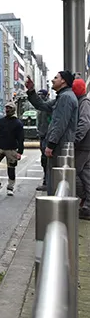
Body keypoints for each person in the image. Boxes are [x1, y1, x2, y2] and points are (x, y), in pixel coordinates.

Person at [0, 103, 24, 196]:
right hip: (0, 147)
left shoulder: (18, 123)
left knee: (11, 169)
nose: (7, 110)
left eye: (9, 108)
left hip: (12, 148)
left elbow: (21, 138)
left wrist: (20, 152)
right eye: (6, 108)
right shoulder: (0, 121)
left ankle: (10, 187)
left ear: (13, 109)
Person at [27, 82, 55, 191]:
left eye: (41, 95)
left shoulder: (48, 106)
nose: (40, 97)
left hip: (47, 136)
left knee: (46, 160)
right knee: (44, 160)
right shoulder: (41, 109)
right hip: (43, 135)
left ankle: (47, 182)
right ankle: (46, 181)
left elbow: (50, 122)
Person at [73, 78, 90, 219]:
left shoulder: (84, 104)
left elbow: (84, 123)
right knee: (85, 174)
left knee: (76, 172)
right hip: (85, 145)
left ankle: (86, 201)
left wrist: (76, 140)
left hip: (84, 146)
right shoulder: (83, 102)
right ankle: (87, 204)